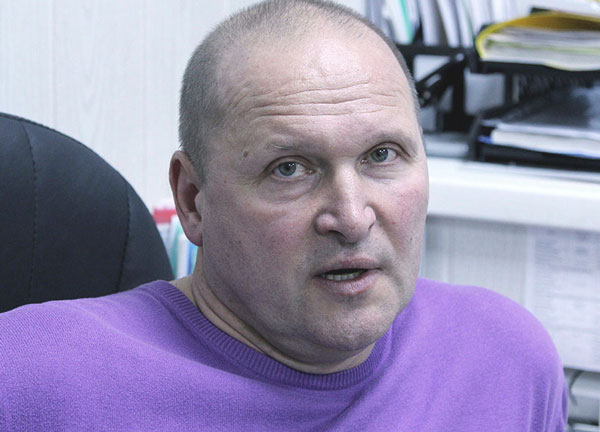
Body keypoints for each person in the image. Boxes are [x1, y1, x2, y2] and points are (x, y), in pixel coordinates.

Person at [0, 1, 567, 430]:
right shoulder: (31, 382)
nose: (351, 218)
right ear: (194, 200)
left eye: (382, 155)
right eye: (290, 169)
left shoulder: (507, 360)